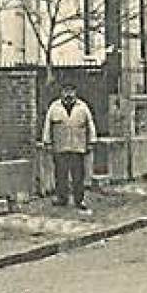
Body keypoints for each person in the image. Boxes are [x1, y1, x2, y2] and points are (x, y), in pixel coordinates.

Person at [43, 83, 98, 212]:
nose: (68, 94)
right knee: (60, 174)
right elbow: (47, 125)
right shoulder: (54, 107)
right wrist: (47, 141)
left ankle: (79, 200)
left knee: (78, 175)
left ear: (75, 92)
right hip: (60, 146)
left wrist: (91, 141)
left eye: (71, 91)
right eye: (65, 91)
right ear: (61, 92)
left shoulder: (82, 107)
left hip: (77, 147)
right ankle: (62, 198)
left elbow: (90, 124)